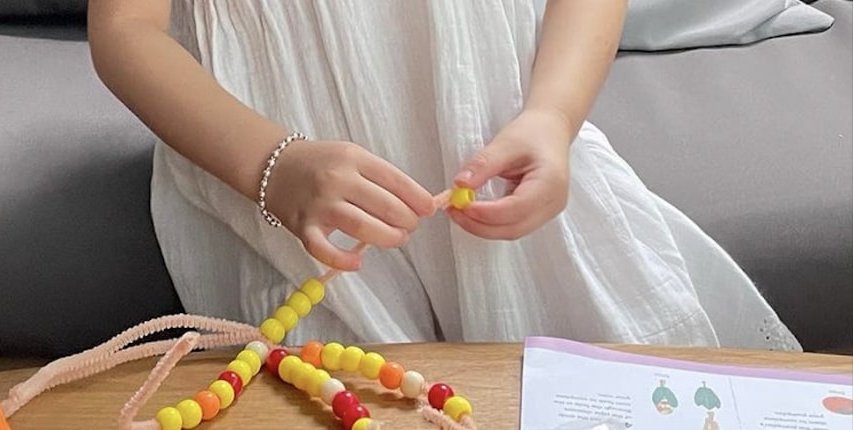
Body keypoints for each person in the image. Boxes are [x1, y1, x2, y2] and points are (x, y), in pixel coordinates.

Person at [88, 0, 800, 351]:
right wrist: (276, 166)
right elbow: (126, 30)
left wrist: (552, 116)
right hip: (282, 192)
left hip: (493, 149)